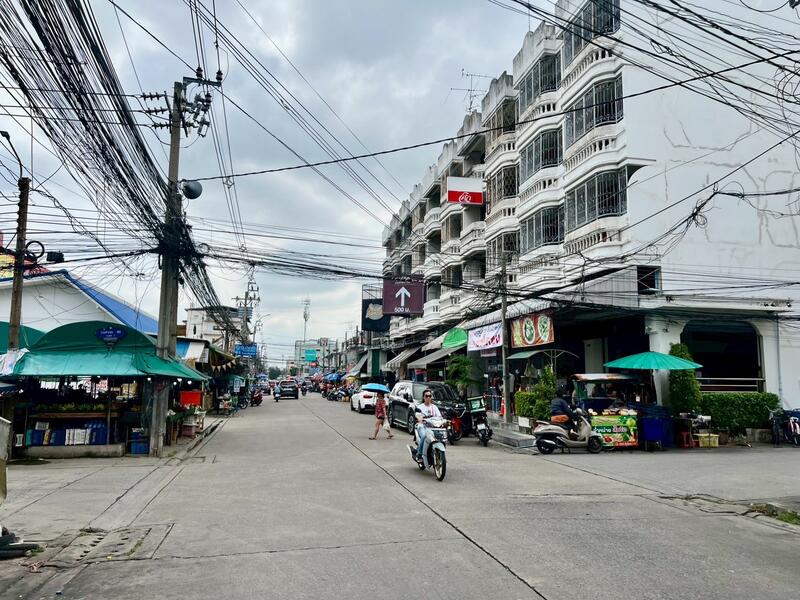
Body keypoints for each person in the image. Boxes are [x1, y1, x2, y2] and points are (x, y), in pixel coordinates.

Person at [415, 389, 442, 462]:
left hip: (433, 427)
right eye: (426, 396)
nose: (428, 398)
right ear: (423, 397)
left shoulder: (434, 407)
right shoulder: (420, 407)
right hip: (422, 426)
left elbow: (439, 417)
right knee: (424, 436)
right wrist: (421, 418)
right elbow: (418, 416)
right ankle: (419, 454)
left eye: (430, 396)